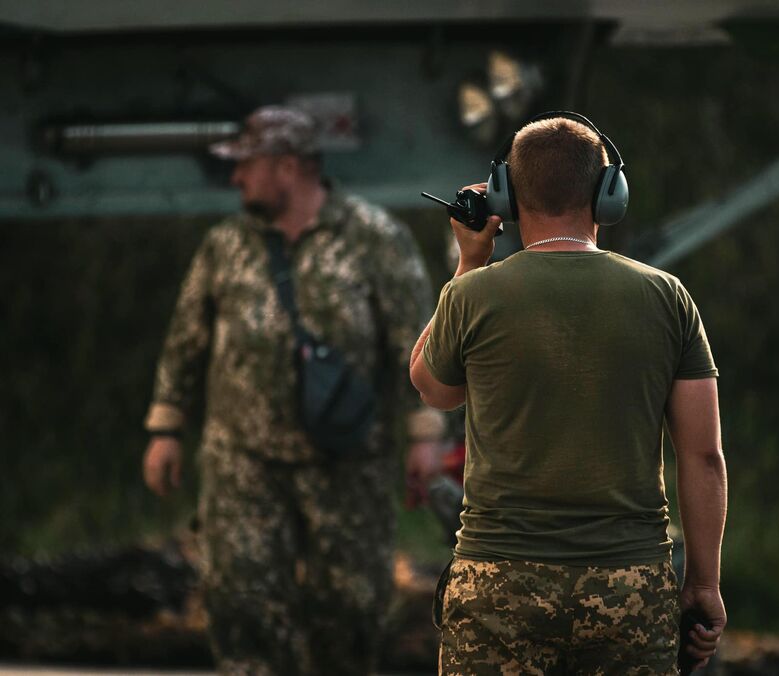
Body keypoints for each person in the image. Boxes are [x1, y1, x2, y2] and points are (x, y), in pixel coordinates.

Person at [410, 115, 728, 674]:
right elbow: (703, 456)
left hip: (497, 583)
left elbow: (433, 389)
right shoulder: (666, 297)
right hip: (629, 587)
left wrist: (469, 262)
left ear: (505, 194)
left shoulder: (473, 295)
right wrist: (703, 585)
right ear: (610, 194)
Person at [141, 105, 446, 675]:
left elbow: (416, 343)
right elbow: (186, 340)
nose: (235, 178)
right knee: (242, 603)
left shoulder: (375, 238)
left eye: (246, 165)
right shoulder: (225, 246)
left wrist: (425, 436)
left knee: (351, 609)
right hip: (243, 462)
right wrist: (165, 429)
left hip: (348, 462)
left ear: (287, 166)